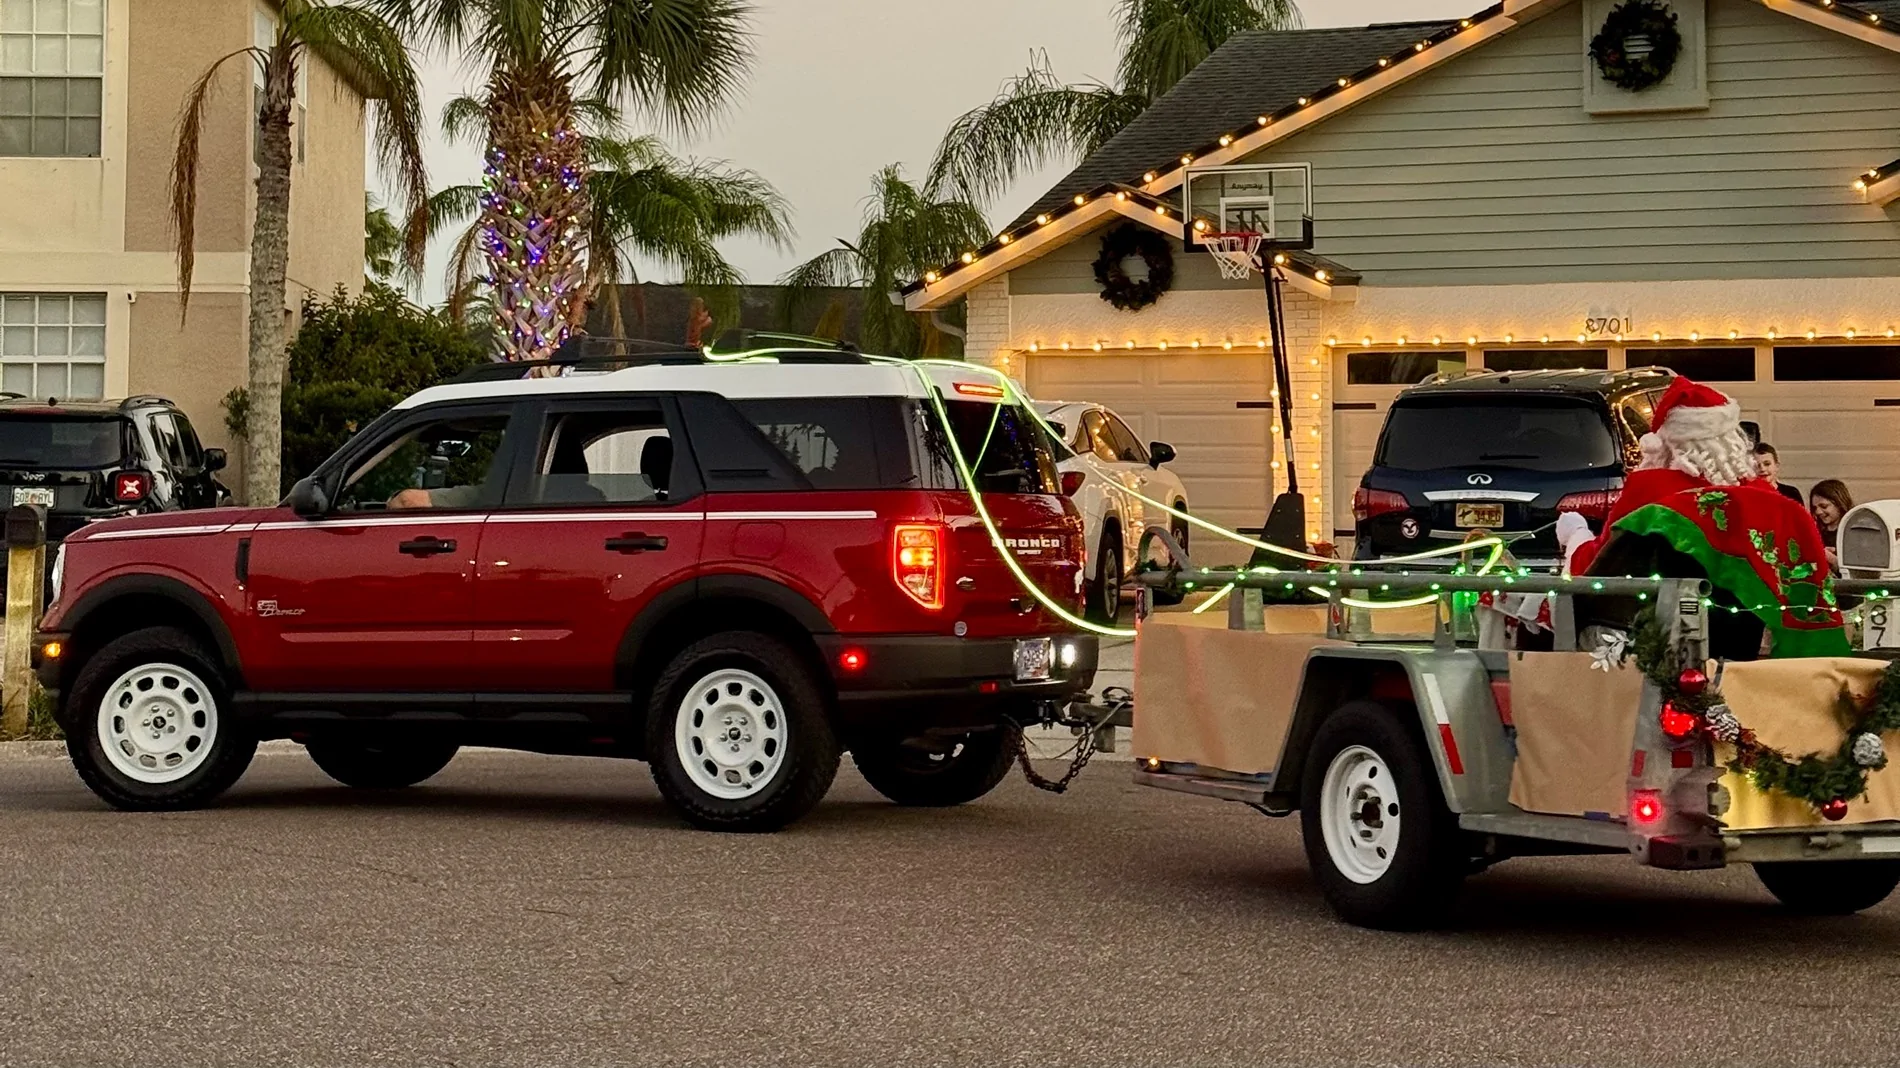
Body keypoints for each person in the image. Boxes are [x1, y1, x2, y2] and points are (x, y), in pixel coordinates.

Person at [1555, 376, 1848, 659]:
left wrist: (1575, 535)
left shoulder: (1650, 489)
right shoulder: (1769, 500)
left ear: (1666, 441)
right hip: (1740, 649)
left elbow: (1598, 564)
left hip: (1658, 644)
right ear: (1732, 440)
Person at [1810, 478, 1853, 570]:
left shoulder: (1854, 532)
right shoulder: (1815, 532)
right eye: (1815, 508)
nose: (1818, 512)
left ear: (1839, 503)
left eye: (1824, 506)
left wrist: (1832, 559)